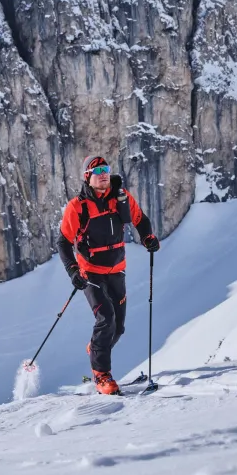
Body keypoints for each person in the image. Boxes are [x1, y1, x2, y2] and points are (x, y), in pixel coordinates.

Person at [58, 156, 160, 395]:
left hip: (117, 270)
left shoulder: (121, 198)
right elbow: (63, 242)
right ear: (87, 177)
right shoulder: (78, 206)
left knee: (118, 328)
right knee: (106, 318)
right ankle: (102, 375)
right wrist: (73, 270)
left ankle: (95, 348)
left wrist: (148, 238)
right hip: (91, 272)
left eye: (106, 169)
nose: (103, 174)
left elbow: (140, 220)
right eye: (97, 171)